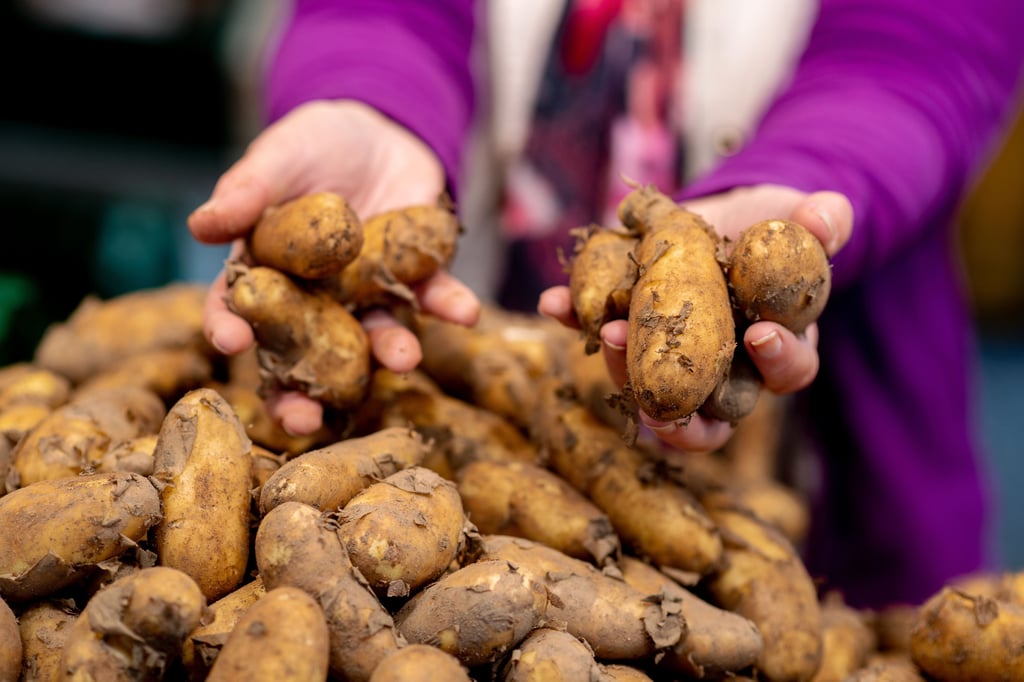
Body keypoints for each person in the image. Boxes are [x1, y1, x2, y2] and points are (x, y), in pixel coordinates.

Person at [187, 0, 1024, 610]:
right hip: (457, 397)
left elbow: (923, 49)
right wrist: (370, 105)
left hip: (842, 481)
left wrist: (784, 192)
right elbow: (378, 14)